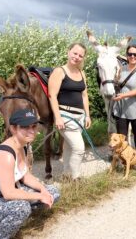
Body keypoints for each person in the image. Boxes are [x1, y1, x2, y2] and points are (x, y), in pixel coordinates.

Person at [0, 109, 60, 238]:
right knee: (21, 207)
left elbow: (25, 176)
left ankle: (16, 220)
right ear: (14, 128)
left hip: (2, 196)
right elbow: (9, 193)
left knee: (52, 192)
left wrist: (43, 191)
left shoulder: (21, 146)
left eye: (34, 126)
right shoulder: (6, 155)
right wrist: (39, 196)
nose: (32, 131)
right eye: (25, 127)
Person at [48, 42, 91, 179]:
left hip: (79, 117)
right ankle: (76, 178)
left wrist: (87, 115)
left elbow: (84, 95)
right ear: (68, 52)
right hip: (65, 116)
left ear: (83, 58)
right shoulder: (59, 71)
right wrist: (58, 117)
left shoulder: (81, 73)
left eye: (80, 55)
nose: (77, 57)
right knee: (79, 149)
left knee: (69, 147)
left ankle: (66, 175)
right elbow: (52, 96)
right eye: (75, 53)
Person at [112, 44, 136, 154]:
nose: (132, 56)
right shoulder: (121, 69)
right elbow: (117, 85)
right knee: (122, 137)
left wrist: (123, 95)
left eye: (135, 54)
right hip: (121, 107)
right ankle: (123, 158)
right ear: (126, 56)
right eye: (130, 54)